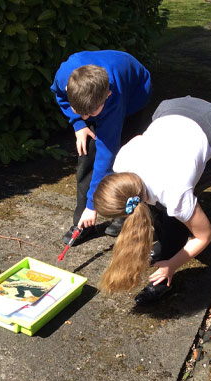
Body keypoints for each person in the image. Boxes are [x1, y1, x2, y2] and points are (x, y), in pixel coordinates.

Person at [93, 96, 211, 305]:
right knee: (164, 208)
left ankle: (165, 275)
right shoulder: (122, 162)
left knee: (176, 217)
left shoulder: (175, 193)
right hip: (170, 108)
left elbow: (204, 236)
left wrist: (172, 264)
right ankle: (165, 245)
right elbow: (138, 139)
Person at [51, 50, 152, 244]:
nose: (88, 117)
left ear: (108, 95)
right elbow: (60, 96)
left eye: (91, 113)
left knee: (123, 157)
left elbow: (107, 155)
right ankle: (83, 222)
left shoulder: (115, 99)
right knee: (87, 148)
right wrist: (78, 124)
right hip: (94, 94)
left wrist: (93, 205)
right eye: (81, 112)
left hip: (135, 94)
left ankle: (123, 213)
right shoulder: (65, 77)